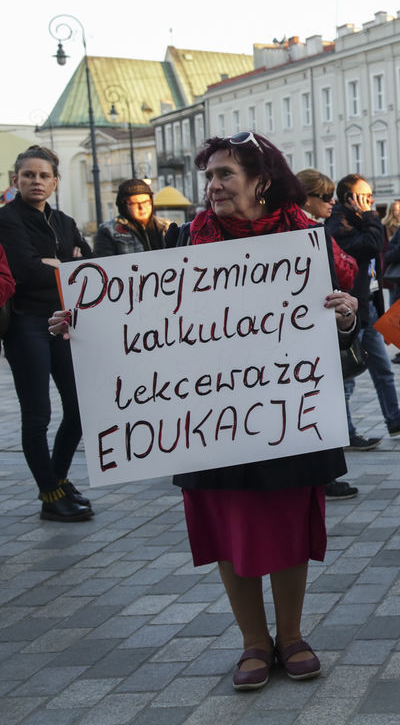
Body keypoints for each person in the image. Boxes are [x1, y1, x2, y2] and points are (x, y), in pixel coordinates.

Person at [50, 132, 359, 689]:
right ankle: (252, 642)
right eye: (209, 176)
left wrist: (345, 314)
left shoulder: (308, 240)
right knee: (227, 520)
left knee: (289, 518)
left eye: (224, 175)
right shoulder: (190, 241)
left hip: (285, 405)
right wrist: (85, 325)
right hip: (211, 413)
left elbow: (343, 303)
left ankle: (290, 635)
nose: (212, 186)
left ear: (261, 181)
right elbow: (146, 318)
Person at [0, 146, 93, 521]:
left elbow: (89, 267)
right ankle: (50, 493)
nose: (36, 181)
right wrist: (65, 266)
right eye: (28, 175)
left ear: (55, 181)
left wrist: (60, 265)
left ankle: (57, 480)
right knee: (37, 415)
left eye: (43, 176)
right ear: (16, 180)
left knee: (79, 409)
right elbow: (24, 271)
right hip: (26, 324)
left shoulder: (64, 221)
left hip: (64, 324)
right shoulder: (7, 219)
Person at [326, 174, 400, 450]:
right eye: (366, 196)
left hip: (368, 304)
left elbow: (377, 249)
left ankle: (394, 419)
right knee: (347, 377)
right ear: (350, 198)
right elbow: (372, 245)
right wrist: (371, 214)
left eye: (371, 197)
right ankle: (346, 433)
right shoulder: (338, 222)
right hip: (351, 309)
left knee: (383, 368)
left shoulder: (357, 221)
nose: (370, 202)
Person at [297, 169, 362, 503]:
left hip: (328, 319)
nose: (331, 202)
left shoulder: (316, 227)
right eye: (324, 197)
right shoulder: (308, 229)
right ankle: (326, 475)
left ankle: (327, 472)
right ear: (306, 197)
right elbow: (346, 267)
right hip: (314, 325)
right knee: (326, 399)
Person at [93, 179, 173, 255]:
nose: (141, 207)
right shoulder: (108, 231)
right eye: (134, 203)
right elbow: (105, 264)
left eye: (145, 202)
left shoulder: (166, 226)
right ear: (124, 206)